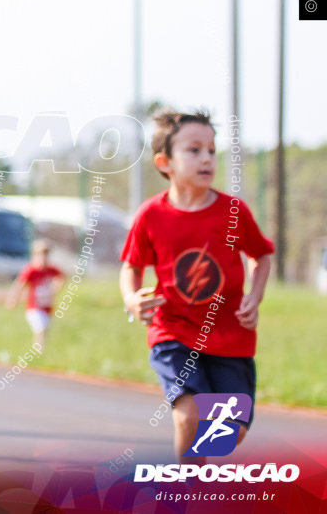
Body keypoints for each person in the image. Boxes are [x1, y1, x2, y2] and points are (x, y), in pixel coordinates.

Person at [120, 109, 273, 463]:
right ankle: (186, 493)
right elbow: (132, 266)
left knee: (226, 434)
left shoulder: (233, 212)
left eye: (211, 150)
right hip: (172, 331)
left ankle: (194, 474)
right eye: (194, 150)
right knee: (189, 414)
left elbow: (262, 255)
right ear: (165, 162)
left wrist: (255, 294)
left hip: (230, 336)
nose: (206, 158)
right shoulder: (151, 215)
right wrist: (131, 298)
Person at [6, 239, 65, 353]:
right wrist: (13, 300)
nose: (43, 257)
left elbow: (62, 277)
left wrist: (55, 290)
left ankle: (41, 351)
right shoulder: (31, 270)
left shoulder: (51, 269)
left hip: (47, 306)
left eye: (45, 254)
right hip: (34, 307)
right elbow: (19, 286)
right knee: (40, 328)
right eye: (40, 254)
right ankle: (37, 351)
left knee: (45, 330)